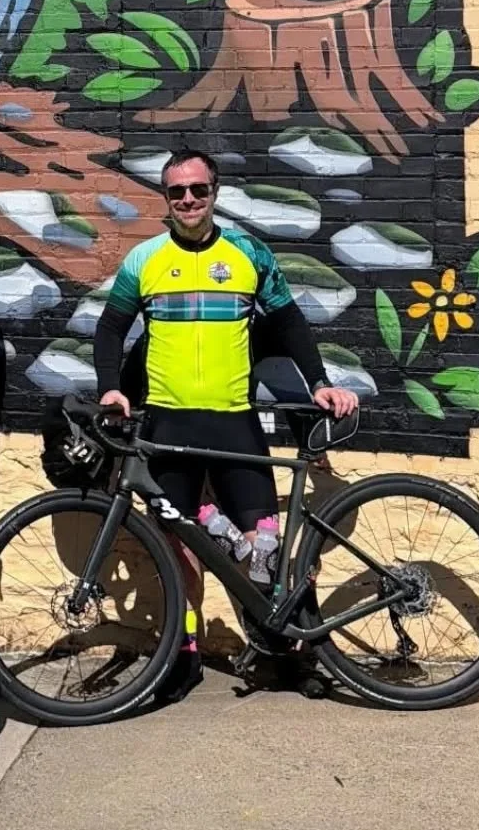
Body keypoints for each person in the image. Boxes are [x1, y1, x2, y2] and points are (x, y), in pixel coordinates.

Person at [92, 148, 359, 699]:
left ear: (215, 192)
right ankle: (185, 653)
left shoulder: (247, 253)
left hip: (235, 422)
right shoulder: (145, 259)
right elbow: (110, 327)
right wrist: (111, 387)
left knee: (266, 546)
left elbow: (288, 320)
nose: (188, 199)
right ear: (166, 198)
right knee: (178, 547)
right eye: (177, 191)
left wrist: (319, 382)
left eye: (199, 189)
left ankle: (295, 652)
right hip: (167, 424)